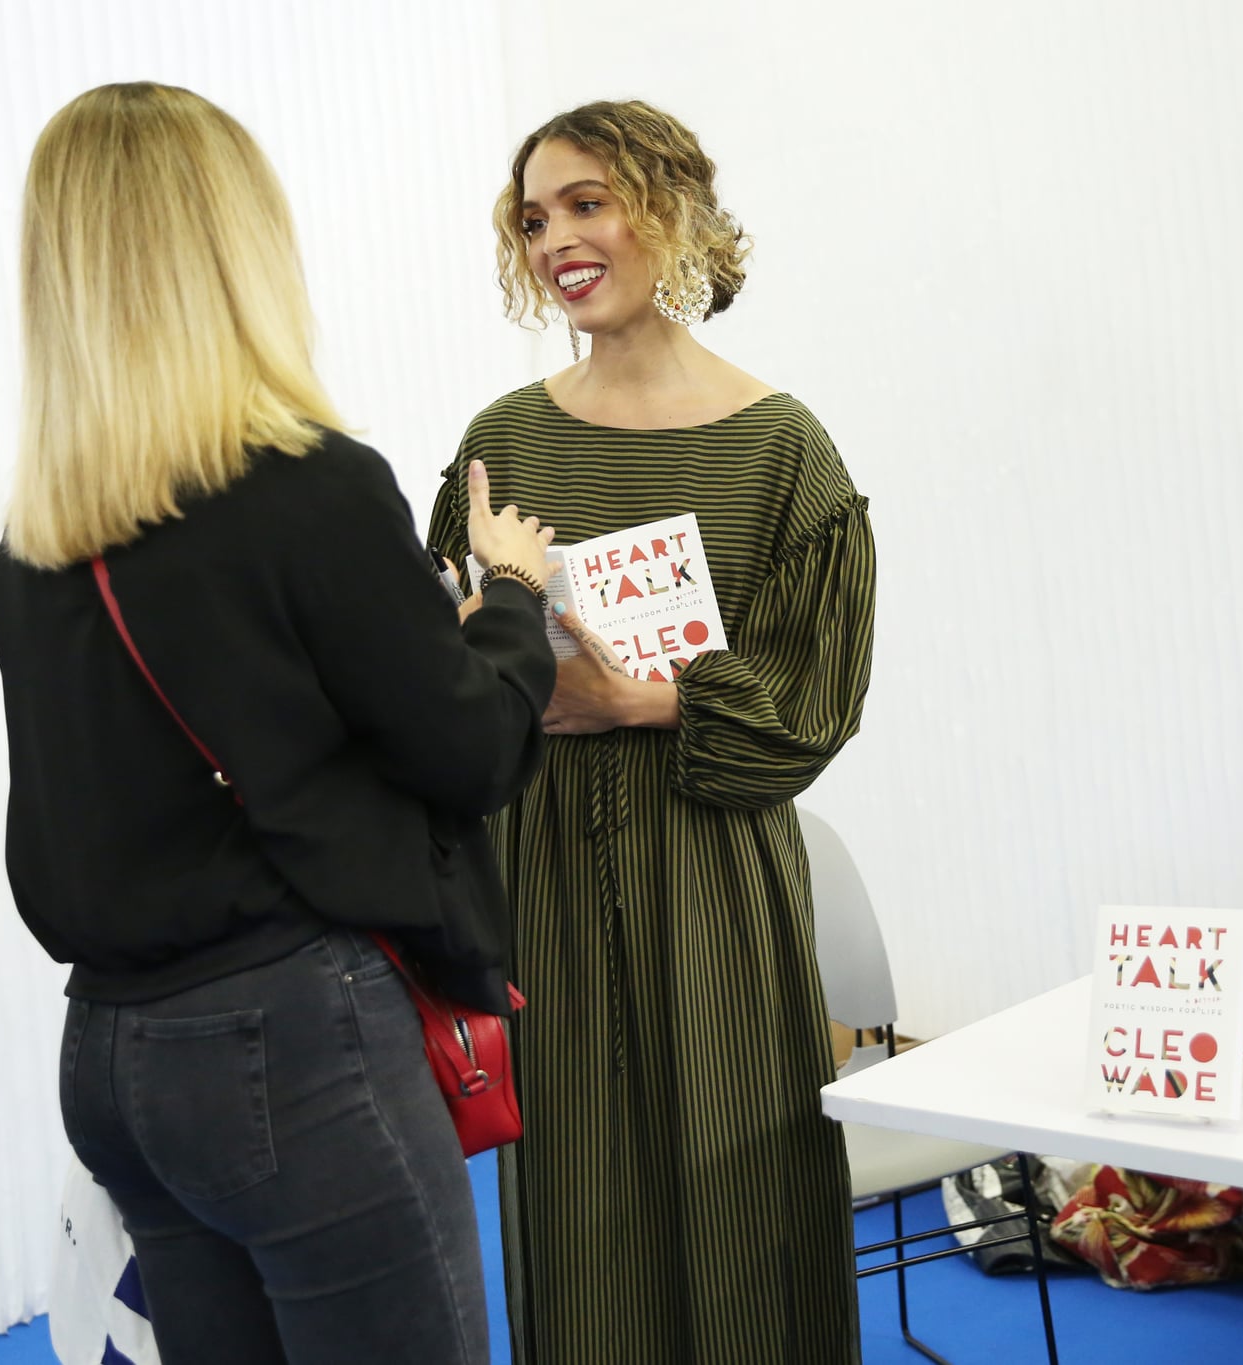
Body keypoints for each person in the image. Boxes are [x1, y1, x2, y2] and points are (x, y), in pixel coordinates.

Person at [0, 82, 558, 1365]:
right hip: (288, 1048)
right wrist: (511, 600)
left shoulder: (34, 552)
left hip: (114, 1056)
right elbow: (468, 749)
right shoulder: (306, 491)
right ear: (235, 247)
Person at [427, 99, 876, 1364]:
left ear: (665, 211)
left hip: (713, 876)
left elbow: (814, 695)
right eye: (532, 218)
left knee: (747, 1196)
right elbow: (429, 660)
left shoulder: (780, 451)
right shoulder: (497, 446)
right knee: (577, 1211)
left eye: (586, 202)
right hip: (546, 876)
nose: (556, 238)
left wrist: (631, 701)